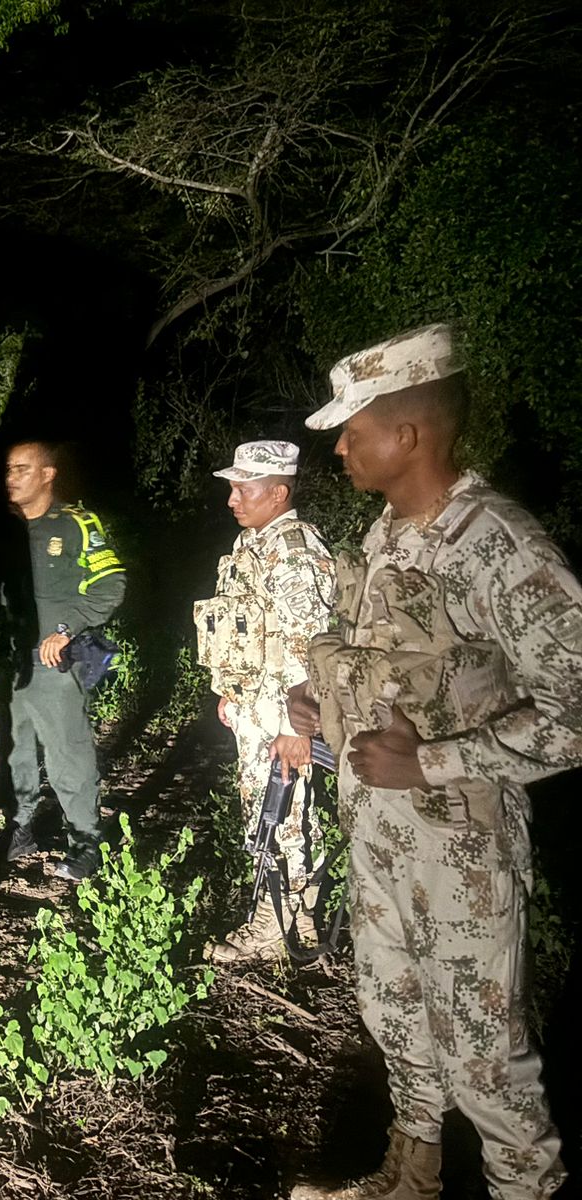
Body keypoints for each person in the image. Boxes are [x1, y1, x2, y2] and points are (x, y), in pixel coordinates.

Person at [287, 323, 576, 1200]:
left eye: (353, 427)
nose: (338, 445)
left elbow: (575, 716)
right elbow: (407, 675)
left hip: (463, 851)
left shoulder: (498, 544)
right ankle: (408, 1179)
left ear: (407, 435)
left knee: (486, 1059)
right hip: (382, 838)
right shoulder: (386, 534)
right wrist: (327, 706)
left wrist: (434, 764)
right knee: (396, 1014)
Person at [192, 440, 335, 961]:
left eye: (243, 488)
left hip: (285, 717)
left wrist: (299, 729)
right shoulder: (254, 545)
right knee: (272, 811)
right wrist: (233, 693)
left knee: (283, 815)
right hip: (258, 708)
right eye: (232, 486)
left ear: (278, 492)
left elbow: (313, 643)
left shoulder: (292, 550)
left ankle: (279, 926)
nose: (232, 498)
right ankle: (295, 918)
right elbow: (248, 629)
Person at [0, 440, 126, 880]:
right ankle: (21, 826)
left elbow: (111, 586)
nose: (12, 477)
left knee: (67, 755)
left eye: (22, 469)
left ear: (48, 474)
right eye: (9, 470)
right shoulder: (6, 529)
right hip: (13, 662)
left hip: (56, 662)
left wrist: (66, 628)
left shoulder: (75, 524)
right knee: (14, 751)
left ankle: (85, 842)